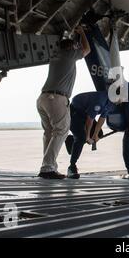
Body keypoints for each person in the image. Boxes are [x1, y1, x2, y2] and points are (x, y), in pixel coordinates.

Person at [36, 26, 91, 179]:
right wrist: (82, 33)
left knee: (49, 133)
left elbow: (72, 45)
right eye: (74, 46)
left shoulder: (56, 55)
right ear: (71, 48)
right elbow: (87, 49)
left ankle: (49, 167)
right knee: (61, 131)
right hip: (56, 99)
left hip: (43, 99)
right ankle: (47, 168)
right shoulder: (69, 55)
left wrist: (72, 38)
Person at [66, 91, 114, 179]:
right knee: (81, 138)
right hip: (74, 112)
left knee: (99, 133)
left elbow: (102, 118)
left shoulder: (112, 102)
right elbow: (89, 120)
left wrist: (95, 135)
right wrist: (87, 137)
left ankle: (72, 140)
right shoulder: (100, 101)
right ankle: (71, 167)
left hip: (85, 114)